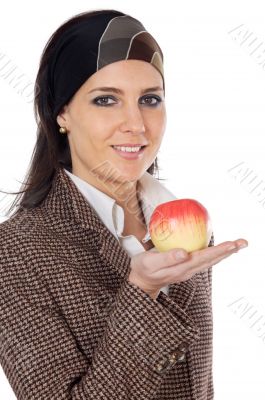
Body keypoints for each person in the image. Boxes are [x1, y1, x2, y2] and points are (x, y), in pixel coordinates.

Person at [0, 9, 248, 400]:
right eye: (106, 100)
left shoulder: (191, 228)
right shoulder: (16, 251)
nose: (136, 123)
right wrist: (143, 288)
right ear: (61, 112)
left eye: (150, 99)